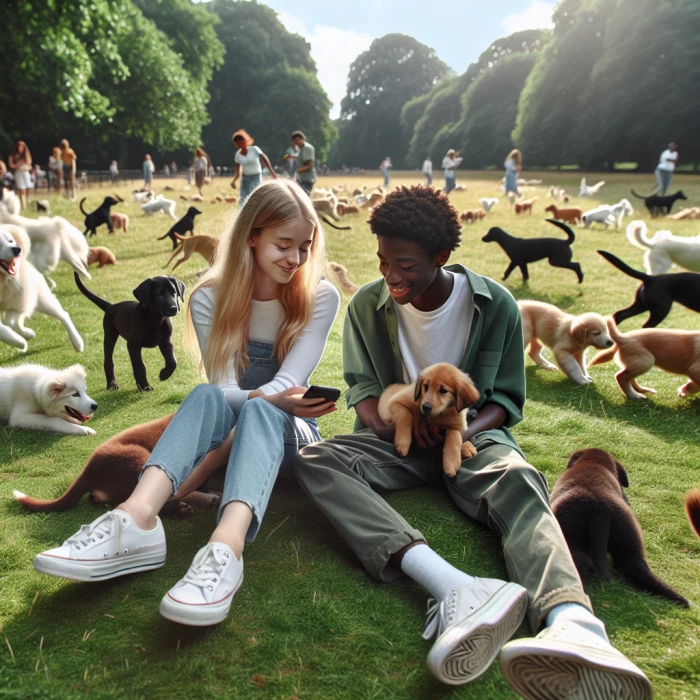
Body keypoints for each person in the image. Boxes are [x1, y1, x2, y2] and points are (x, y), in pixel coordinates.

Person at [294, 186, 652, 698]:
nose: (390, 277)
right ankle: (453, 587)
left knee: (520, 478)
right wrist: (389, 425)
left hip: (471, 438)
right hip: (395, 438)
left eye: (405, 265)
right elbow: (364, 392)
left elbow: (505, 399)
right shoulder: (367, 307)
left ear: (442, 257)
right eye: (382, 262)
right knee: (316, 460)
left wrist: (458, 432)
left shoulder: (496, 304)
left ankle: (573, 623)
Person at [31, 179, 341, 628]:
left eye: (305, 247)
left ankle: (224, 550)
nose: (296, 259)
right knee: (209, 394)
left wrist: (250, 407)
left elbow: (288, 387)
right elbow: (223, 387)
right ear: (252, 236)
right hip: (228, 428)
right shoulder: (210, 296)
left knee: (262, 406)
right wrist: (240, 412)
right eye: (284, 244)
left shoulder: (321, 297)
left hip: (293, 437)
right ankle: (135, 521)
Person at [230, 130, 276, 205]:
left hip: (256, 177)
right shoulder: (238, 155)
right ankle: (244, 215)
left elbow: (265, 159)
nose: (239, 144)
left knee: (256, 197)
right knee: (243, 198)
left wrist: (273, 173)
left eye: (240, 142)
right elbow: (238, 171)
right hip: (245, 179)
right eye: (236, 143)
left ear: (244, 141)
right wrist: (234, 181)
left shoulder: (254, 149)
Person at [8, 141, 32, 210]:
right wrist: (16, 165)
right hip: (18, 173)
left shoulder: (26, 155)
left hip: (25, 173)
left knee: (27, 188)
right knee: (21, 189)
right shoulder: (13, 155)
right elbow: (11, 164)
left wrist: (25, 167)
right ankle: (23, 205)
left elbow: (29, 164)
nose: (20, 148)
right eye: (19, 146)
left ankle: (26, 203)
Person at [292, 130, 316, 195]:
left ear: (303, 139)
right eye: (295, 140)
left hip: (306, 180)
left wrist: (297, 170)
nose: (297, 141)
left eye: (299, 139)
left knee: (302, 200)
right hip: (301, 179)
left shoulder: (307, 148)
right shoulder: (300, 149)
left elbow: (309, 166)